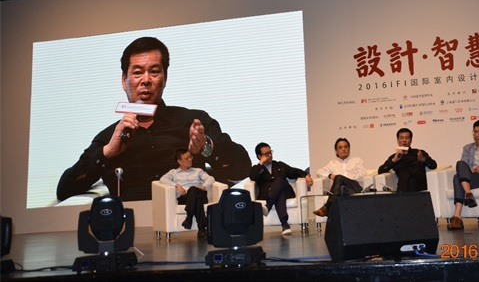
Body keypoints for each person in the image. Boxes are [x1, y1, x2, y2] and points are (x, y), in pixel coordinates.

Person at [56, 36, 250, 202]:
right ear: (124, 81)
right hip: (132, 225)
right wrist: (107, 152)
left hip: (187, 220)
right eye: (137, 72)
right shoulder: (110, 137)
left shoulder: (193, 122)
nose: (146, 80)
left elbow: (242, 169)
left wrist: (206, 146)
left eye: (154, 72)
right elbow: (64, 190)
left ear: (165, 78)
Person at [249, 142, 313, 235]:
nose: (270, 155)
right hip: (267, 194)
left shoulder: (279, 165)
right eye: (266, 154)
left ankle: (268, 206)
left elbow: (294, 171)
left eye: (270, 152)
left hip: (287, 193)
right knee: (280, 194)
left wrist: (306, 175)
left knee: (280, 180)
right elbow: (253, 177)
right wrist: (261, 163)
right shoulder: (257, 168)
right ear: (259, 156)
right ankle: (285, 225)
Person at [159, 148, 215, 239]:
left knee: (193, 190)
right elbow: (162, 179)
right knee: (196, 198)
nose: (190, 160)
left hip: (200, 193)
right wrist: (177, 185)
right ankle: (202, 229)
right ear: (179, 161)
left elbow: (211, 178)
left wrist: (203, 186)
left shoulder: (198, 171)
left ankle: (189, 218)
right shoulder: (173, 172)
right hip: (185, 198)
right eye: (186, 158)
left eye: (190, 157)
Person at [313, 138, 367, 217]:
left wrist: (344, 178)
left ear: (349, 149)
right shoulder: (333, 163)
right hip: (343, 190)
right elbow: (319, 172)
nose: (343, 149)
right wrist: (330, 175)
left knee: (339, 178)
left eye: (346, 147)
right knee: (341, 187)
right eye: (340, 147)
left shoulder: (357, 160)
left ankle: (328, 206)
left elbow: (362, 175)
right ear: (336, 151)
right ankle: (341, 217)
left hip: (355, 187)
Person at [378, 128, 437, 192]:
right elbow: (381, 170)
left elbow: (433, 165)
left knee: (407, 176)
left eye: (407, 138)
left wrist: (423, 159)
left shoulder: (419, 153)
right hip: (405, 186)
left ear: (411, 140)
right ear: (398, 140)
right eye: (401, 138)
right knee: (405, 176)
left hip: (419, 186)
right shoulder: (395, 157)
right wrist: (394, 160)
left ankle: (401, 196)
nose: (404, 140)